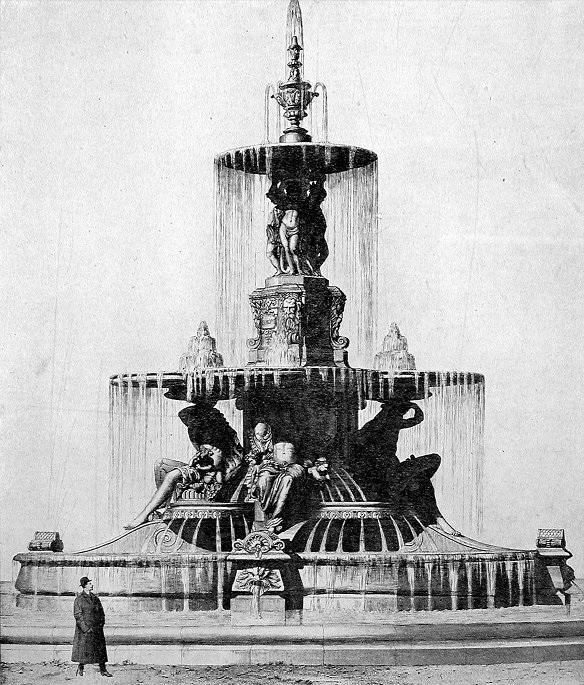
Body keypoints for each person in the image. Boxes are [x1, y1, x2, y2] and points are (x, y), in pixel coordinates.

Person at [72, 577, 111, 677]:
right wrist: (85, 629)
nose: (91, 585)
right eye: (89, 584)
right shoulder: (79, 599)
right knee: (83, 650)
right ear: (84, 586)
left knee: (100, 650)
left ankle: (103, 670)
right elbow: (78, 615)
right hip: (85, 629)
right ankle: (80, 668)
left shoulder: (95, 598)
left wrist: (101, 624)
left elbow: (101, 612)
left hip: (97, 628)